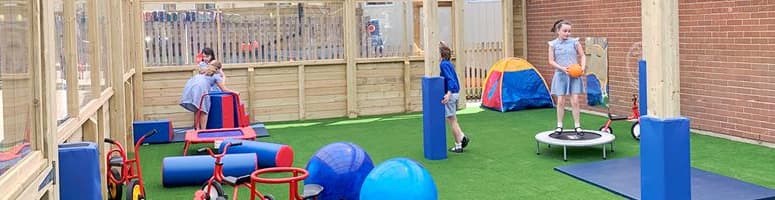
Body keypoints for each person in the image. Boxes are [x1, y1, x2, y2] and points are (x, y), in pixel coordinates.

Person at [547, 19, 586, 135]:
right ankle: (559, 126)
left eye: (569, 31)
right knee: (560, 101)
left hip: (574, 75)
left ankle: (577, 126)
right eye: (565, 31)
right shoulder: (552, 44)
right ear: (558, 31)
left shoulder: (575, 42)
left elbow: (583, 55)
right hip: (560, 75)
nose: (567, 33)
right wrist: (562, 68)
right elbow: (551, 61)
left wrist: (582, 68)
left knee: (575, 101)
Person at [180, 61, 238, 129]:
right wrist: (235, 92)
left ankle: (197, 129)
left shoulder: (204, 70)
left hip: (192, 84)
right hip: (201, 87)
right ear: (219, 69)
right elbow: (224, 89)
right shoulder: (216, 76)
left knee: (197, 109)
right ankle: (203, 130)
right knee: (204, 111)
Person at [439, 42, 470, 153]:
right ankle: (461, 137)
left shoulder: (443, 65)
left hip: (451, 94)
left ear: (441, 55)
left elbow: (450, 80)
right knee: (453, 119)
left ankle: (459, 142)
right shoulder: (448, 63)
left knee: (451, 120)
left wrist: (448, 94)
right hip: (455, 93)